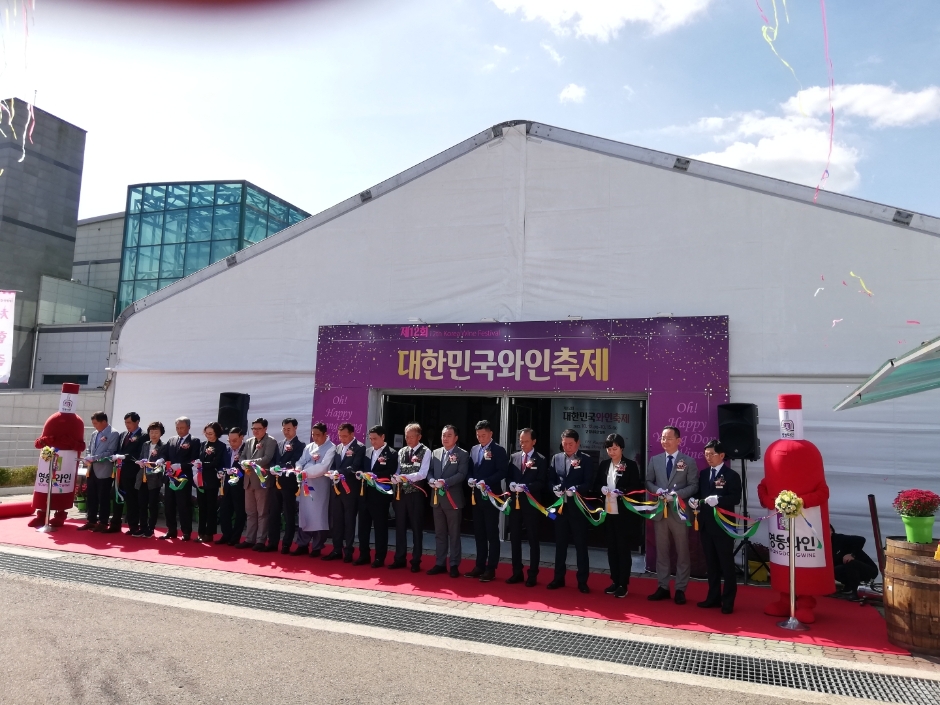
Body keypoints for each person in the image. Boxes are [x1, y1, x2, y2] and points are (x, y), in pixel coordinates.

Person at [646, 426, 700, 605]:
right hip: (660, 511)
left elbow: (694, 485)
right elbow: (648, 481)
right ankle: (662, 586)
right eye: (662, 438)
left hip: (680, 512)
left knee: (682, 551)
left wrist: (677, 495)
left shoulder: (688, 461)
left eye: (669, 438)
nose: (665, 441)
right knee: (662, 551)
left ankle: (680, 588)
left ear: (679, 440)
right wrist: (657, 490)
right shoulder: (655, 460)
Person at [688, 439, 741, 613]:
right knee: (711, 564)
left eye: (712, 454)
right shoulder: (703, 474)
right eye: (706, 454)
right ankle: (713, 597)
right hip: (706, 524)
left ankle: (728, 601)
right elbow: (698, 493)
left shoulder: (731, 475)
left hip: (724, 526)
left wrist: (719, 500)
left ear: (722, 456)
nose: (708, 457)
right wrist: (694, 501)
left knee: (726, 564)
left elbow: (735, 498)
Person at [595, 433, 644, 599]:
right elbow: (596, 485)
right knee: (611, 549)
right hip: (608, 513)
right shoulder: (603, 465)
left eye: (615, 448)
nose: (611, 451)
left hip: (623, 514)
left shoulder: (630, 465)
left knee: (623, 549)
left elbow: (636, 488)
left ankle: (624, 583)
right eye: (609, 448)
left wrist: (621, 492)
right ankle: (614, 580)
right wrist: (601, 489)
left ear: (622, 448)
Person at [548, 429, 595, 593]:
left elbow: (589, 483)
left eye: (570, 444)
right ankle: (558, 578)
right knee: (560, 544)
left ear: (578, 443)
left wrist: (576, 489)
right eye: (564, 444)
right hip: (561, 508)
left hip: (578, 508)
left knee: (581, 545)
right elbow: (551, 479)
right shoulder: (556, 458)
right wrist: (554, 488)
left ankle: (582, 581)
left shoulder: (586, 460)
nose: (567, 447)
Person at [506, 427, 550, 587]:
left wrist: (526, 486)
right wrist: (510, 483)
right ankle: (516, 571)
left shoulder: (541, 459)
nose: (522, 444)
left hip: (531, 503)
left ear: (534, 441)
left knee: (533, 538)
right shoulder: (514, 457)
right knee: (515, 538)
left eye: (526, 441)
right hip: (515, 502)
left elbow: (541, 482)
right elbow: (509, 475)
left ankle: (533, 574)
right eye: (520, 441)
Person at [466, 420, 508, 582]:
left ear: (491, 434)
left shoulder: (498, 450)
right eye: (478, 435)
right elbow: (470, 469)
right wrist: (470, 479)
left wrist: (487, 481)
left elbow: (502, 471)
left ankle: (491, 568)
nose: (481, 438)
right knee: (479, 532)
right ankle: (479, 565)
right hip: (476, 496)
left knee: (492, 533)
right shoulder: (474, 449)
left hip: (491, 496)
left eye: (483, 435)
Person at [427, 425, 469, 578]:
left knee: (454, 533)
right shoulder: (435, 453)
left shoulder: (462, 454)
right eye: (444, 435)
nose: (445, 438)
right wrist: (431, 479)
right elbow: (430, 470)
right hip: (437, 499)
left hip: (453, 499)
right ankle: (440, 563)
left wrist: (445, 482)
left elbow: (462, 474)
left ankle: (454, 564)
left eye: (449, 435)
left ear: (456, 438)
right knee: (439, 533)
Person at [389, 423, 431, 573]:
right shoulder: (402, 451)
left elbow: (423, 473)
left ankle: (416, 560)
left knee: (416, 527)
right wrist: (395, 477)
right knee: (399, 526)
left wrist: (404, 477)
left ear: (419, 437)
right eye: (406, 436)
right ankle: (399, 558)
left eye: (411, 437)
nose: (408, 439)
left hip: (416, 493)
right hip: (400, 494)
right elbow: (398, 469)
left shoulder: (425, 451)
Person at [356, 425, 399, 567]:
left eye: (375, 438)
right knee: (363, 527)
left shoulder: (391, 453)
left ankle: (380, 557)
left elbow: (391, 471)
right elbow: (361, 467)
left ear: (383, 437)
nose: (372, 442)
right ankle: (364, 554)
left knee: (380, 528)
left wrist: (376, 475)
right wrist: (361, 474)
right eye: (370, 439)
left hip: (381, 495)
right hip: (365, 494)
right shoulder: (367, 452)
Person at [324, 423, 366, 562]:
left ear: (352, 434)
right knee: (337, 520)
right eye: (340, 436)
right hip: (336, 489)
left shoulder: (359, 448)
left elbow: (355, 467)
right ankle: (337, 549)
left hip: (350, 490)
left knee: (349, 521)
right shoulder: (338, 447)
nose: (342, 439)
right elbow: (335, 465)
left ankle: (348, 551)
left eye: (345, 436)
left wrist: (338, 472)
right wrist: (332, 472)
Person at [294, 423, 335, 556]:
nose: (315, 437)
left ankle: (317, 546)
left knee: (319, 515)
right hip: (306, 484)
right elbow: (300, 461)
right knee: (304, 514)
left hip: (320, 486)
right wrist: (299, 469)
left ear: (325, 435)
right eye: (313, 434)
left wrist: (305, 472)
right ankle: (302, 544)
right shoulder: (309, 447)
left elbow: (323, 467)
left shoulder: (331, 448)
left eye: (318, 435)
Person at [237, 417, 278, 550]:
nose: (255, 431)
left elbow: (267, 457)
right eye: (253, 428)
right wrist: (243, 462)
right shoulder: (249, 441)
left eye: (258, 429)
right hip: (248, 481)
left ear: (265, 429)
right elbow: (242, 455)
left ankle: (260, 540)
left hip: (262, 481)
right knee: (250, 512)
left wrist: (251, 462)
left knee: (262, 513)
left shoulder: (270, 441)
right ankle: (250, 539)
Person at [77, 412, 121, 532]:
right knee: (91, 496)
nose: (94, 426)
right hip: (92, 469)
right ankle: (91, 520)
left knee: (103, 497)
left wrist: (95, 458)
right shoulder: (95, 433)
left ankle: (103, 522)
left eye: (96, 423)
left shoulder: (113, 433)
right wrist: (87, 457)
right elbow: (89, 448)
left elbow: (111, 451)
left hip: (104, 470)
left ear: (103, 422)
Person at [266, 418, 304, 554]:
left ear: (295, 428)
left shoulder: (300, 445)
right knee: (273, 513)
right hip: (276, 482)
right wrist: (272, 468)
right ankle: (273, 542)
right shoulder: (279, 444)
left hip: (289, 484)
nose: (286, 432)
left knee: (288, 514)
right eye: (284, 429)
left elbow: (295, 462)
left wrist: (280, 467)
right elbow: (273, 460)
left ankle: (287, 543)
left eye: (289, 429)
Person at [161, 416, 201, 541]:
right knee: (169, 504)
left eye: (182, 427)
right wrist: (161, 459)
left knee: (183, 505)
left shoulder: (194, 441)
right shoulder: (172, 440)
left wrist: (181, 466)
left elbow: (194, 459)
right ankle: (171, 530)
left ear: (188, 427)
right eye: (177, 428)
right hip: (170, 476)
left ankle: (186, 531)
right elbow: (164, 453)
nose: (179, 430)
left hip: (183, 478)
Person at [107, 412, 145, 535]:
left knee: (131, 499)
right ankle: (115, 524)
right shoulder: (123, 435)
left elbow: (140, 454)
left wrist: (124, 457)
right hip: (119, 471)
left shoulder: (143, 436)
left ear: (137, 422)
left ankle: (133, 526)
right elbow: (118, 450)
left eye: (129, 422)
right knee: (117, 496)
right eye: (125, 423)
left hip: (132, 472)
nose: (127, 425)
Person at [134, 421, 167, 538]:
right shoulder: (145, 444)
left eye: (156, 432)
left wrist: (160, 461)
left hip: (154, 478)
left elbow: (163, 458)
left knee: (152, 504)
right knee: (141, 504)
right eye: (151, 432)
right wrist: (140, 461)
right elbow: (141, 456)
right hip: (142, 476)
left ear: (161, 433)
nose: (153, 434)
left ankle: (151, 528)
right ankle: (142, 527)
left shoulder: (163, 446)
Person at [196, 422, 226, 543]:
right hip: (201, 478)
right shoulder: (203, 444)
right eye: (206, 433)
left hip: (212, 479)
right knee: (201, 506)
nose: (208, 436)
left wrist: (202, 464)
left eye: (211, 433)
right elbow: (199, 458)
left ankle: (209, 533)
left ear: (217, 433)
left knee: (211, 507)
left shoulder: (221, 446)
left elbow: (217, 462)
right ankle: (200, 532)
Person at [830, 525, 879, 599]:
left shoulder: (839, 538)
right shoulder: (825, 545)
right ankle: (848, 587)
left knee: (850, 562)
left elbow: (861, 539)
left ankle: (855, 592)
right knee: (832, 569)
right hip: (848, 569)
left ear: (831, 531)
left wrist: (852, 554)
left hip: (868, 569)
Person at [217, 427, 247, 546]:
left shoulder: (246, 450)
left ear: (241, 437)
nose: (232, 443)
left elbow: (249, 467)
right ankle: (226, 534)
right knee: (224, 511)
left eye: (235, 440)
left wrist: (237, 471)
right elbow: (222, 465)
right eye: (230, 440)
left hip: (240, 485)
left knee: (239, 512)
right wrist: (220, 472)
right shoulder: (227, 450)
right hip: (227, 485)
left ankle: (235, 537)